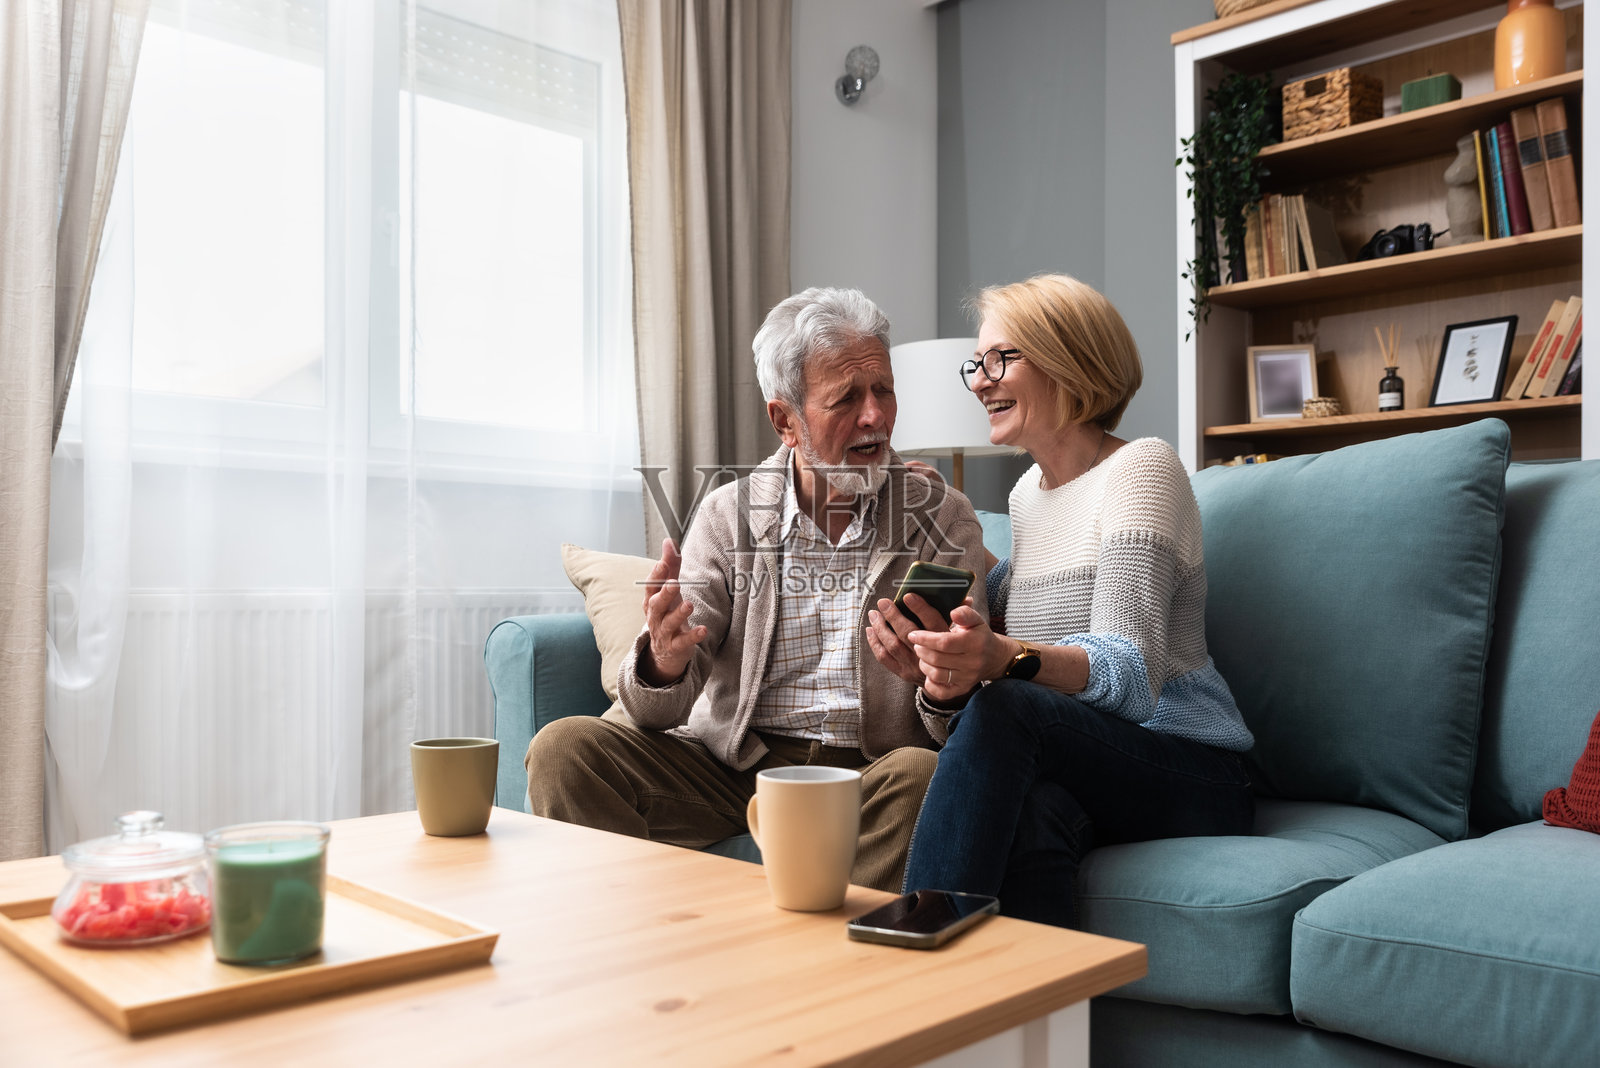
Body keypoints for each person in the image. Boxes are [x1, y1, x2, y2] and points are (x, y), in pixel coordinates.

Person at [526, 286, 991, 893]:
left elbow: (963, 715)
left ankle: (834, 965)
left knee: (923, 774)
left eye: (883, 389)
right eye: (845, 399)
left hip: (870, 774)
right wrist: (663, 663)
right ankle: (639, 943)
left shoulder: (943, 517)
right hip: (735, 767)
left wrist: (940, 684)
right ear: (785, 421)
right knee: (564, 748)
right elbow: (658, 709)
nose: (874, 416)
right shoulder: (728, 516)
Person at [866, 273, 1255, 927]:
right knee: (1037, 816)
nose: (980, 381)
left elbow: (1130, 676)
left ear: (1068, 359)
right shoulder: (1026, 495)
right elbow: (1019, 597)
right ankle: (1035, 1019)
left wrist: (997, 659)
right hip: (1093, 761)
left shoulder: (1143, 470)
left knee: (1013, 704)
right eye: (976, 364)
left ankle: (918, 939)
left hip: (1197, 767)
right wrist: (944, 538)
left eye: (1000, 359)